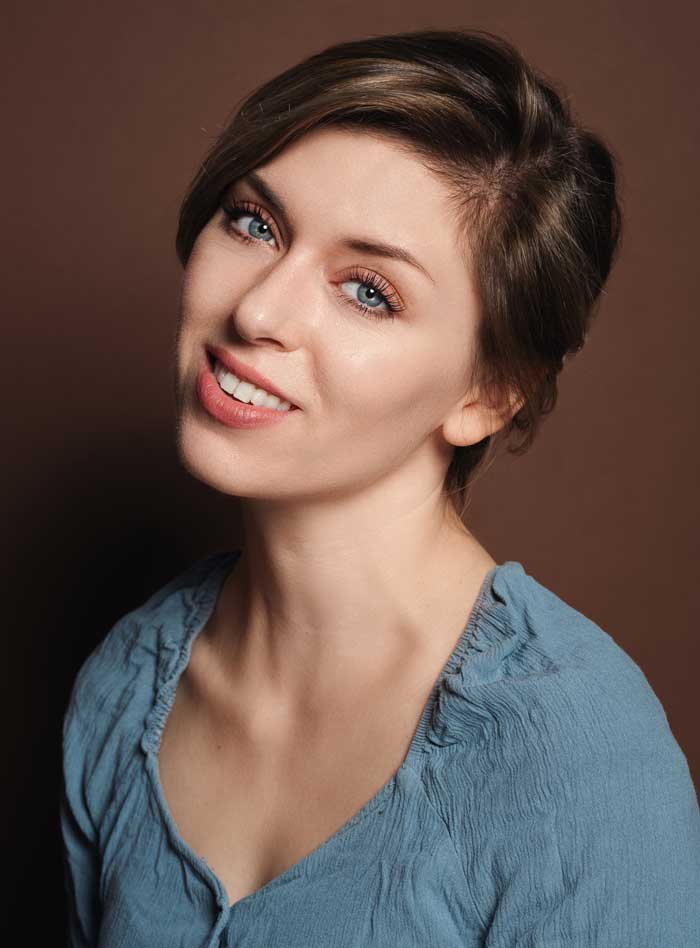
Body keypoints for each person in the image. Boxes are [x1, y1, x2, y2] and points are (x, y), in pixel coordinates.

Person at [60, 28, 700, 947]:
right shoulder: (126, 685)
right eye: (255, 223)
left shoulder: (581, 763)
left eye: (368, 291)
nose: (257, 309)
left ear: (489, 394)